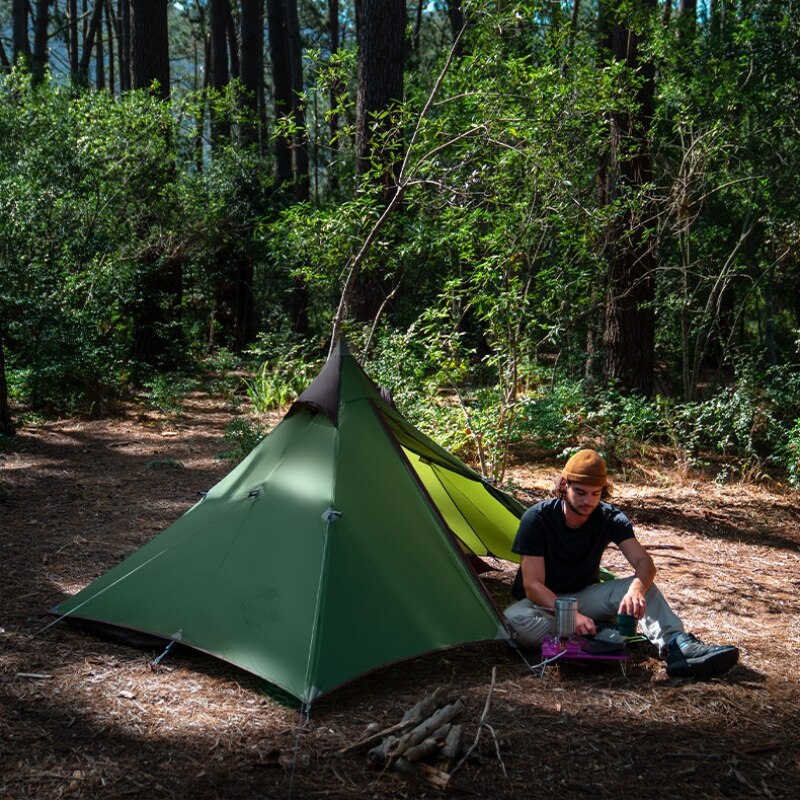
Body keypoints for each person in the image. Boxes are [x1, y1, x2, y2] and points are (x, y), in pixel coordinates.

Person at [504, 449, 739, 679]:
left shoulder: (609, 518)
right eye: (581, 492)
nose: (588, 501)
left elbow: (644, 562)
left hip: (585, 597)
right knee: (513, 623)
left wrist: (636, 589)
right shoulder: (537, 518)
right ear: (564, 485)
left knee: (645, 588)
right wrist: (572, 616)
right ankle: (595, 630)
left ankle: (677, 646)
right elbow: (533, 585)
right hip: (544, 604)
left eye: (596, 494)